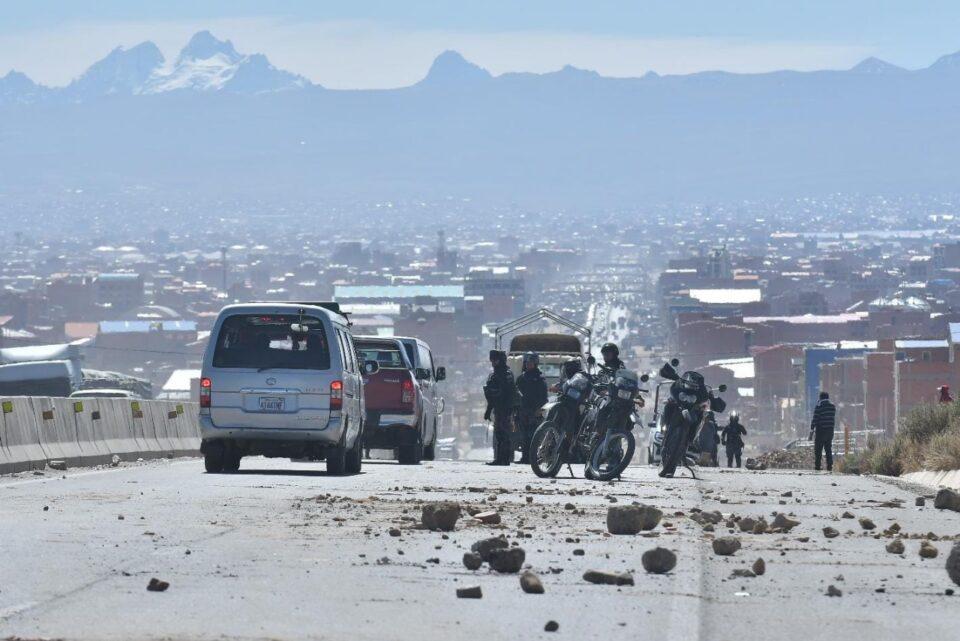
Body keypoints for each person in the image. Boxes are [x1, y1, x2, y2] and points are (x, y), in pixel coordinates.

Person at [483, 349, 516, 466]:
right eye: (492, 361)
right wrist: (489, 410)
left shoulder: (506, 374)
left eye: (495, 360)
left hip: (505, 409)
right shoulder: (494, 374)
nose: (493, 363)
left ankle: (504, 459)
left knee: (504, 434)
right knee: (499, 434)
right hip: (498, 409)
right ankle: (500, 459)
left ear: (501, 360)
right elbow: (492, 395)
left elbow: (508, 393)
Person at [515, 352, 548, 464]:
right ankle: (525, 457)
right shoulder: (521, 378)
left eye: (531, 363)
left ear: (535, 363)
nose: (528, 365)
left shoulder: (539, 378)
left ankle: (533, 458)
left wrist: (540, 410)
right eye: (527, 363)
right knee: (523, 435)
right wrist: (516, 410)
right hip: (523, 410)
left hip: (535, 411)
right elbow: (516, 394)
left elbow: (544, 397)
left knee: (534, 435)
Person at [809, 391, 836, 472]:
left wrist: (812, 429)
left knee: (818, 449)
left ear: (820, 398)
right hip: (830, 431)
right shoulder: (832, 406)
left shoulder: (819, 406)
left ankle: (818, 466)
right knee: (828, 449)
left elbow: (815, 418)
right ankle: (829, 466)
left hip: (821, 430)